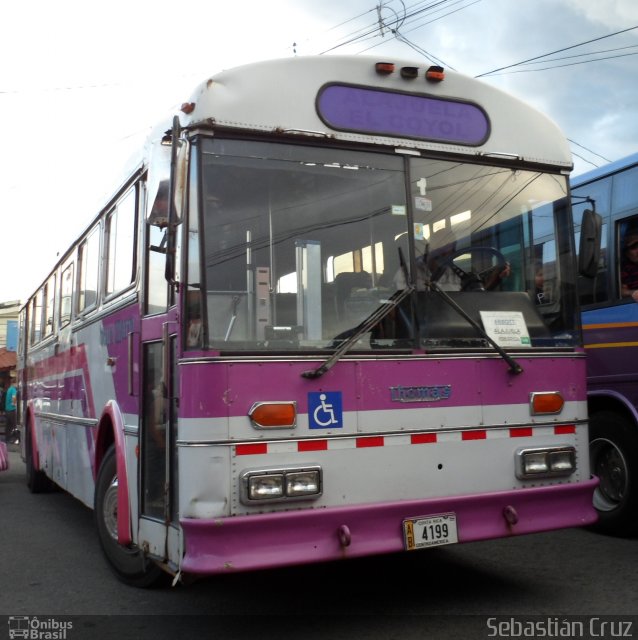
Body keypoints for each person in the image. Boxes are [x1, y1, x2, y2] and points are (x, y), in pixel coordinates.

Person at [620, 228, 638, 302]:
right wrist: (633, 292)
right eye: (633, 247)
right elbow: (621, 290)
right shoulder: (626, 269)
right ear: (627, 253)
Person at [5, 376, 18, 444]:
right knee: (14, 425)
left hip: (7, 410)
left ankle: (7, 439)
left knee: (8, 425)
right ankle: (15, 439)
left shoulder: (9, 389)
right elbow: (14, 398)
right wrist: (14, 404)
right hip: (12, 409)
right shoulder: (13, 389)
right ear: (14, 383)